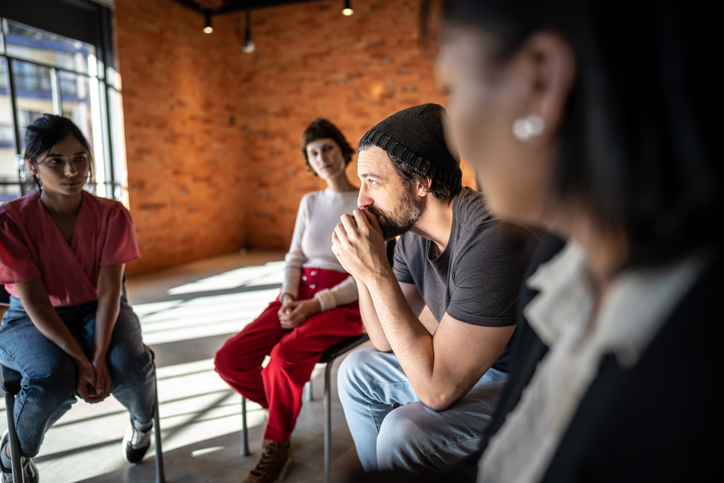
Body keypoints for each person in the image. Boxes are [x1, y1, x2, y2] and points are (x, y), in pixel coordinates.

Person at [400, 0, 721, 481]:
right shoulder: (557, 266)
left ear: (541, 83)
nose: (458, 131)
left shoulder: (700, 362)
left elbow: (437, 385)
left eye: (454, 87)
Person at [331, 103, 541, 474]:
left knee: (404, 432)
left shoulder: (494, 239)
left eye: (373, 182)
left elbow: (437, 391)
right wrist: (363, 270)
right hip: (474, 362)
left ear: (422, 182)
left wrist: (378, 272)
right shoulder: (413, 232)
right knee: (357, 369)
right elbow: (382, 339)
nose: (361, 198)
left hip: (529, 382)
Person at [0, 115, 157, 483]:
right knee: (52, 376)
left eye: (80, 158)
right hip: (31, 317)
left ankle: (142, 422)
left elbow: (109, 292)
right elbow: (37, 303)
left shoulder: (113, 214)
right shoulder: (10, 221)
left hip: (98, 309)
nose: (72, 170)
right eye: (55, 160)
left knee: (129, 363)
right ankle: (13, 455)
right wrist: (80, 361)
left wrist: (99, 356)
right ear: (33, 167)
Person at [214, 118, 364, 483]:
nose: (321, 157)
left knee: (282, 359)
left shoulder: (366, 201)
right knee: (229, 359)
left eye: (327, 147)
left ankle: (278, 444)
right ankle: (284, 404)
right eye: (313, 153)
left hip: (344, 302)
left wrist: (317, 304)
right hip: (296, 294)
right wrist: (290, 297)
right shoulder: (310, 202)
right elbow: (294, 257)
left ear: (343, 150)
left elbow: (365, 273)